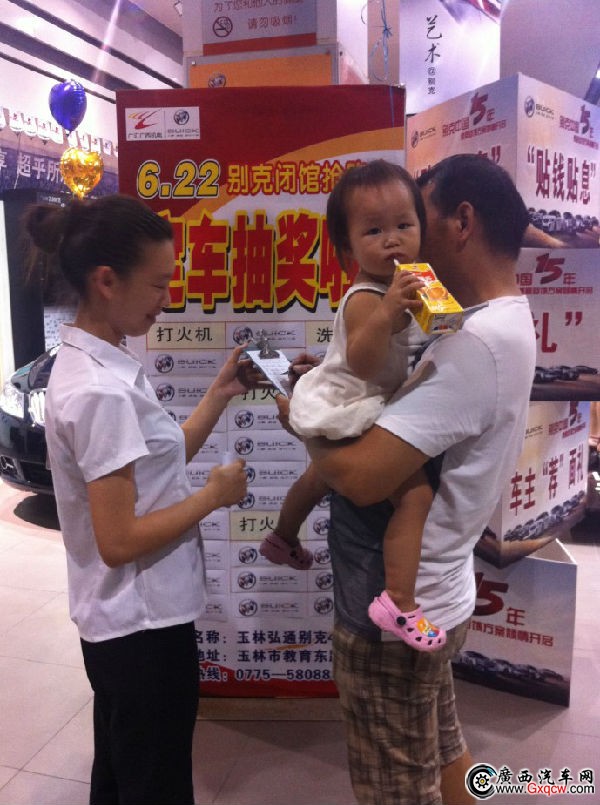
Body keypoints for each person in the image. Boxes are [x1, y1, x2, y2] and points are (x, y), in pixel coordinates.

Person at [293, 153, 537, 805]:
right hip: (441, 595)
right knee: (441, 748)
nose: (404, 241)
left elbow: (361, 478)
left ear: (461, 222)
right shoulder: (499, 320)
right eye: (378, 230)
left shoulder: (471, 343)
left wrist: (301, 414)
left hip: (395, 615)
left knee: (397, 787)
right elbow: (374, 367)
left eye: (413, 221)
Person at [23, 194, 257, 805]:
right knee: (154, 782)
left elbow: (158, 461)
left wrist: (219, 392)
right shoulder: (99, 392)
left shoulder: (103, 364)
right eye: (157, 284)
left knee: (122, 773)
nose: (166, 298)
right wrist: (213, 497)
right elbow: (119, 539)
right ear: (106, 281)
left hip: (125, 624)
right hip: (140, 630)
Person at [260, 160, 446, 651]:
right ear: (347, 251)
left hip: (347, 392)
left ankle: (282, 536)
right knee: (415, 496)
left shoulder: (398, 288)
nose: (392, 240)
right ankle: (398, 601)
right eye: (374, 231)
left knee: (318, 476)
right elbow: (364, 363)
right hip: (355, 401)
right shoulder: (368, 297)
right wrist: (388, 313)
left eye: (404, 225)